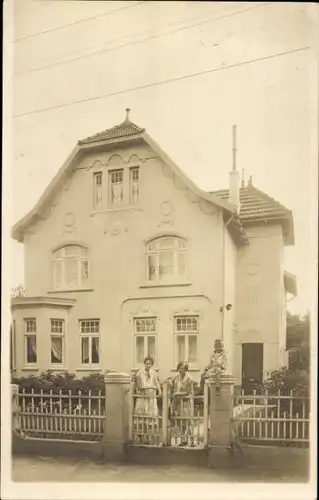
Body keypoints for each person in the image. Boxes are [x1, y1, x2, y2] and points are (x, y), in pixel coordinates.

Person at [134, 356, 161, 443]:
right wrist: (151, 387)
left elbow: (156, 382)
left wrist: (159, 391)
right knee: (142, 417)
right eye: (146, 363)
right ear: (144, 363)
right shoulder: (139, 373)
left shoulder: (153, 372)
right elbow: (139, 387)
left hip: (151, 398)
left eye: (150, 364)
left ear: (152, 365)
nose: (148, 365)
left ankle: (148, 437)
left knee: (150, 418)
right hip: (142, 398)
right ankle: (142, 435)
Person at [169, 362, 194, 446]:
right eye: (179, 368)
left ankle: (192, 440)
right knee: (181, 422)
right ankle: (184, 440)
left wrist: (177, 394)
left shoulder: (189, 378)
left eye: (182, 369)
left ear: (186, 369)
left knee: (188, 421)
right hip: (178, 402)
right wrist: (169, 382)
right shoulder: (177, 376)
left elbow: (189, 392)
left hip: (186, 402)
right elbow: (172, 384)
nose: (180, 370)